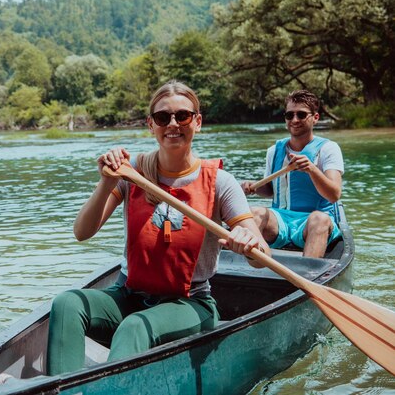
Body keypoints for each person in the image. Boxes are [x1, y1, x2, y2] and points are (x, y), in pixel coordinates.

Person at [46, 80, 271, 376]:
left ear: (198, 122)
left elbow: (261, 255)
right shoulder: (131, 172)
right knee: (67, 304)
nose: (173, 124)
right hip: (128, 294)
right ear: (151, 125)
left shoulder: (220, 182)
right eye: (163, 117)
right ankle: (60, 387)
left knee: (135, 326)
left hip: (191, 303)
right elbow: (82, 232)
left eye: (183, 116)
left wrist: (249, 245)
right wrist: (106, 182)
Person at [241, 90, 344, 258]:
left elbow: (334, 195)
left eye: (301, 115)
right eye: (290, 115)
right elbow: (270, 191)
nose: (295, 120)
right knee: (254, 213)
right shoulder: (274, 151)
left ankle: (308, 279)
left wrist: (312, 169)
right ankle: (244, 270)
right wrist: (252, 186)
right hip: (280, 221)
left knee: (319, 219)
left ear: (315, 118)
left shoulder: (328, 149)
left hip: (312, 222)